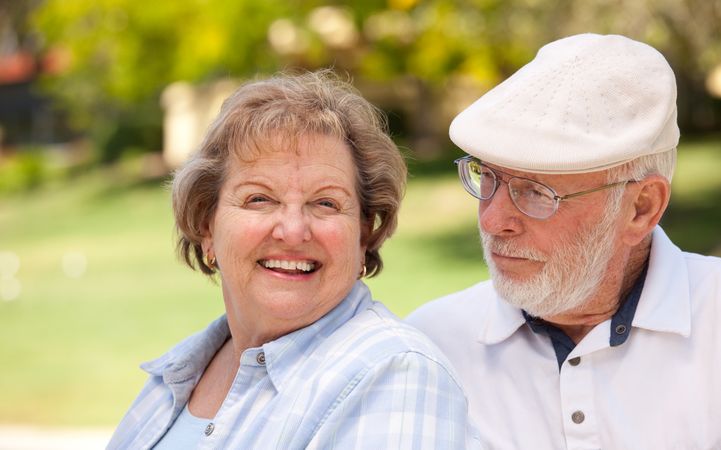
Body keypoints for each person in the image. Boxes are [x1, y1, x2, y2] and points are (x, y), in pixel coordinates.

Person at [108, 71, 480, 449]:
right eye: (259, 199)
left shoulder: (394, 375)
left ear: (364, 235)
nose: (293, 230)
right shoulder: (176, 375)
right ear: (207, 227)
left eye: (325, 203)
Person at [407, 33, 721, 449]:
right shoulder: (430, 347)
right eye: (488, 178)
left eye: (536, 192)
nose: (493, 218)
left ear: (641, 207)